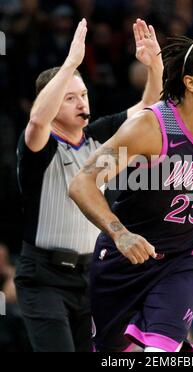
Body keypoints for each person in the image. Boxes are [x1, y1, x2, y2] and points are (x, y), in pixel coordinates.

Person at [69, 35, 193, 352]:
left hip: (182, 260)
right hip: (124, 261)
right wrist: (120, 234)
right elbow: (82, 183)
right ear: (191, 83)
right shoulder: (149, 128)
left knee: (161, 353)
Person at [14, 18, 163, 352]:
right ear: (51, 101)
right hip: (44, 276)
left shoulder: (99, 136)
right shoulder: (39, 145)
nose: (82, 103)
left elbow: (149, 112)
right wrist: (71, 63)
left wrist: (155, 65)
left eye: (83, 95)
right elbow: (38, 118)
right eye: (70, 98)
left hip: (93, 274)